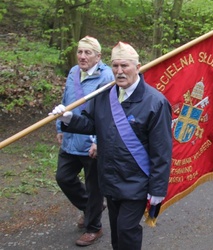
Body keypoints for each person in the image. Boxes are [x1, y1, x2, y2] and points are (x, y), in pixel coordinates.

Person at [51, 42, 172, 250]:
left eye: (125, 66)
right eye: (115, 66)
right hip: (109, 177)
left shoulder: (155, 102)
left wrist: (158, 188)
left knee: (127, 231)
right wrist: (69, 118)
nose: (119, 71)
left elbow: (162, 150)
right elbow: (91, 124)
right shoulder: (104, 94)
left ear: (138, 67)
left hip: (136, 181)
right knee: (117, 232)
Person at [55, 36, 114, 246]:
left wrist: (99, 140)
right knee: (63, 177)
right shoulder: (73, 72)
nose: (82, 56)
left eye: (87, 52)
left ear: (98, 56)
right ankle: (91, 208)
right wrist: (60, 126)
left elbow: (108, 112)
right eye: (80, 52)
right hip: (71, 137)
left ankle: (93, 227)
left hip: (91, 141)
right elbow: (65, 101)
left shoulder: (107, 77)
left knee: (94, 187)